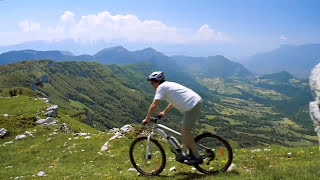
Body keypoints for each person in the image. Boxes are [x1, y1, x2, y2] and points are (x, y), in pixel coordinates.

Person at [142, 71, 203, 165]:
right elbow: (173, 100)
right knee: (183, 129)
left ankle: (197, 157)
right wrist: (164, 111)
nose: (152, 85)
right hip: (194, 102)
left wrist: (147, 118)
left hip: (192, 104)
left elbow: (154, 105)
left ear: (157, 81)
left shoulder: (161, 87)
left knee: (185, 130)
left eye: (152, 82)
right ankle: (184, 152)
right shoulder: (167, 85)